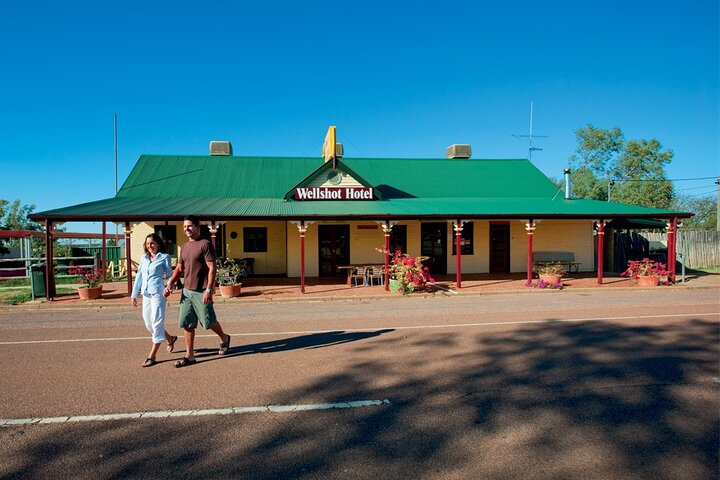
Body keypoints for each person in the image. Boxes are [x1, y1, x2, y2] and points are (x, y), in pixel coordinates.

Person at [164, 215, 231, 367]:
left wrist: (209, 289)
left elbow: (212, 268)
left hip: (201, 291)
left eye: (189, 226)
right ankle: (190, 355)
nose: (186, 229)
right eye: (184, 227)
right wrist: (169, 284)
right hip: (186, 291)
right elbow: (179, 269)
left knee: (209, 322)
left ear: (197, 227)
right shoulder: (184, 247)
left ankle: (224, 338)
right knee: (187, 323)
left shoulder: (205, 244)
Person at [131, 233, 178, 368]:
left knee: (157, 323)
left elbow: (170, 275)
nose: (150, 246)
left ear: (158, 244)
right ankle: (170, 338)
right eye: (147, 244)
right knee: (149, 325)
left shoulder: (164, 257)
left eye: (152, 243)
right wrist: (134, 294)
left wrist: (169, 288)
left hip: (158, 293)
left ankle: (152, 356)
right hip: (146, 294)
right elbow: (139, 276)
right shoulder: (143, 258)